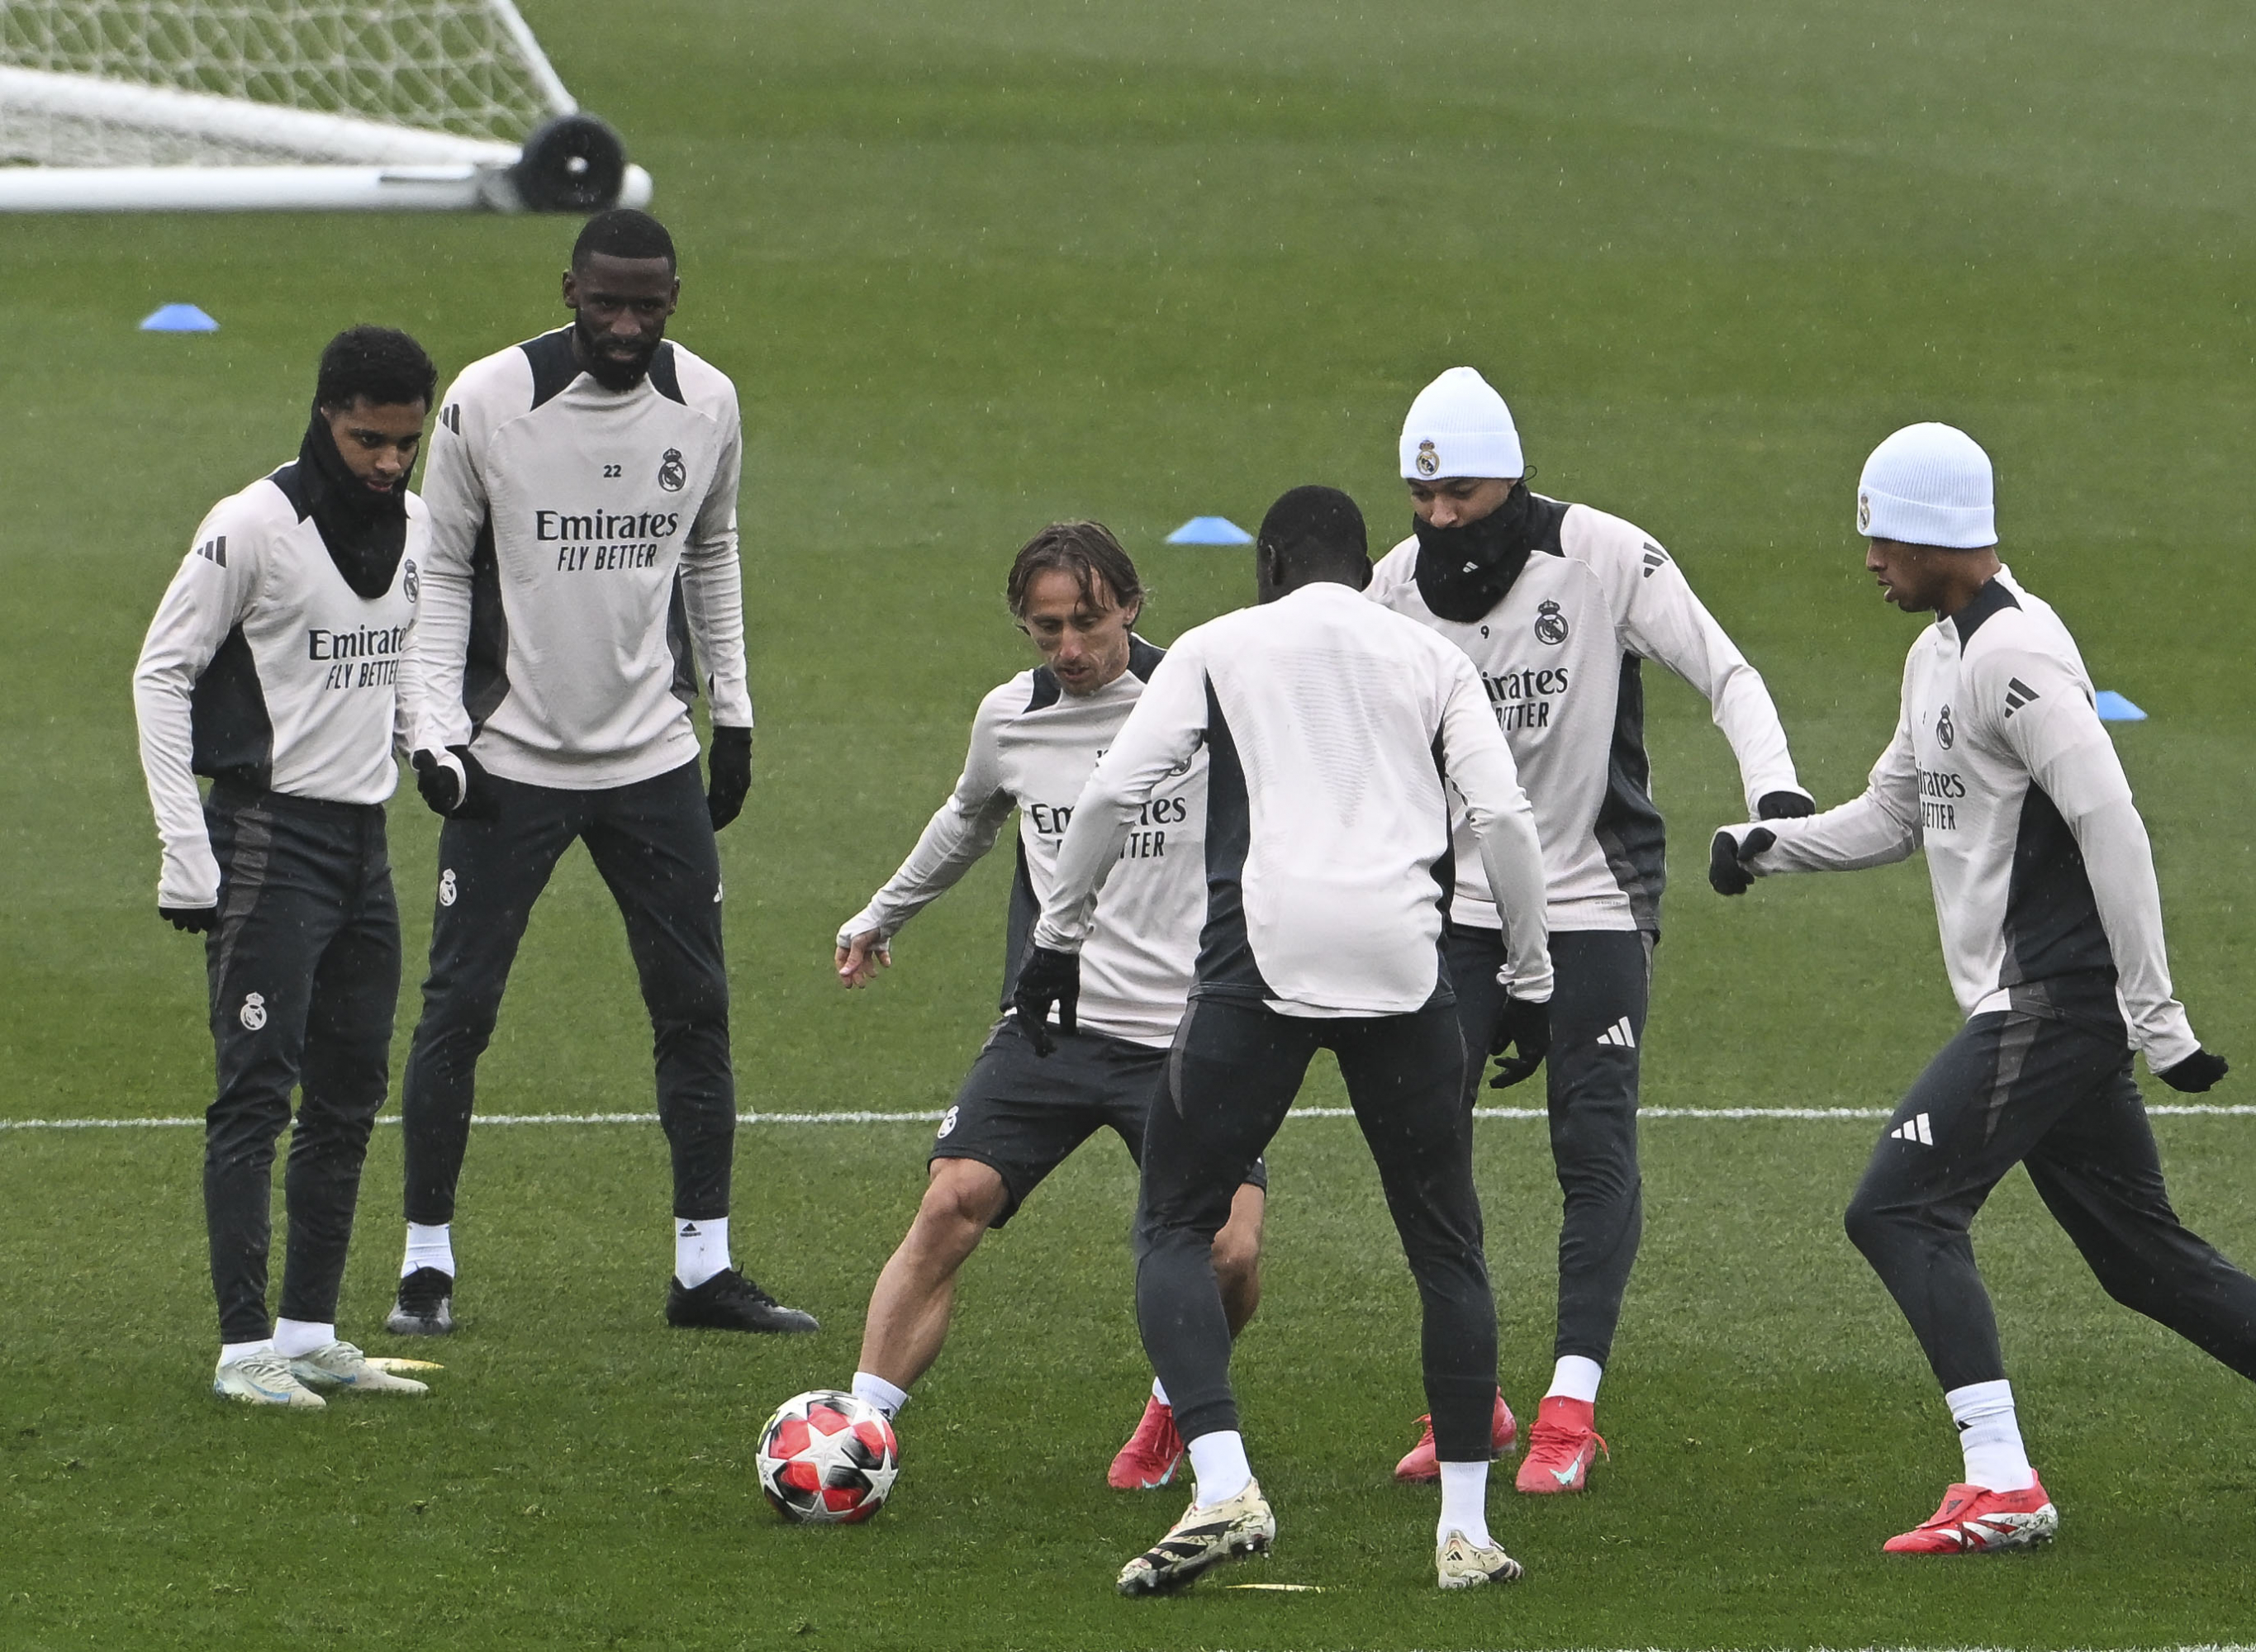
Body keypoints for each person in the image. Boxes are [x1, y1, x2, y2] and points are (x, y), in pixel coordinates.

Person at [1709, 421, 2256, 1552]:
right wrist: (1773, 848)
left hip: (2051, 999)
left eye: (1882, 539)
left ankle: (2000, 1481)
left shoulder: (2018, 655)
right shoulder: (1935, 658)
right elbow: (1899, 813)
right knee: (2144, 1260)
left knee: (1899, 1206)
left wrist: (2159, 1018)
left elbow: (2112, 820)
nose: (1867, 560)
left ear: (1935, 538)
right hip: (2030, 1003)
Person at [1019, 486, 1555, 1593]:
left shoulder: (1219, 647)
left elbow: (1118, 789)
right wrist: (1532, 973)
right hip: (1405, 966)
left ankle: (1224, 1486)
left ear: (1268, 563)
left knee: (1173, 1222)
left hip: (1262, 962)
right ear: (1365, 568)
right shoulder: (1429, 658)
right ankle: (1466, 1533)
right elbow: (1501, 819)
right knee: (1446, 1248)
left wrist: (1058, 939)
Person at [1364, 366, 1812, 1492]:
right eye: (1421, 499)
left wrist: (1777, 792)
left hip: (1596, 899)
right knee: (1425, 1138)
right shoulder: (1393, 588)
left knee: (1591, 1144)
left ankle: (1570, 1407)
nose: (1438, 520)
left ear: (1510, 476)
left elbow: (1728, 671)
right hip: (1457, 909)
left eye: (1459, 494)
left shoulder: (1606, 556)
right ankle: (1471, 1395)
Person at [389, 207, 810, 1336]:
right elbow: (435, 575)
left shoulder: (708, 403)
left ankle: (703, 1270)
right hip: (510, 760)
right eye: (606, 300)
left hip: (651, 757)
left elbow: (712, 550)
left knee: (695, 1009)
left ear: (675, 298)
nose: (626, 324)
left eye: (649, 304)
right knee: (458, 1012)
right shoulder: (488, 403)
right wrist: (433, 734)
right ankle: (425, 1265)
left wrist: (737, 715)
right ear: (567, 285)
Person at [832, 521, 1266, 1485]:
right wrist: (882, 914)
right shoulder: (1011, 717)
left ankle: (1170, 1403)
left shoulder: (1205, 697)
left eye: (1088, 623)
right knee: (952, 1199)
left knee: (1230, 1254)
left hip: (1190, 1036)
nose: (1069, 651)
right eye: (1045, 631)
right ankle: (857, 1434)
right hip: (1054, 1026)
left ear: (1132, 606)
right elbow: (968, 818)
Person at [133, 325, 439, 1407]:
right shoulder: (251, 527)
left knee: (351, 1092)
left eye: (408, 441)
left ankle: (309, 1332)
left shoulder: (413, 524)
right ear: (325, 416)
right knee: (255, 1096)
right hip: (267, 840)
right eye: (369, 440)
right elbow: (159, 674)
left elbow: (394, 652)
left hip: (365, 843)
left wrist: (425, 744)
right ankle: (239, 1348)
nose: (390, 463)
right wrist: (186, 849)